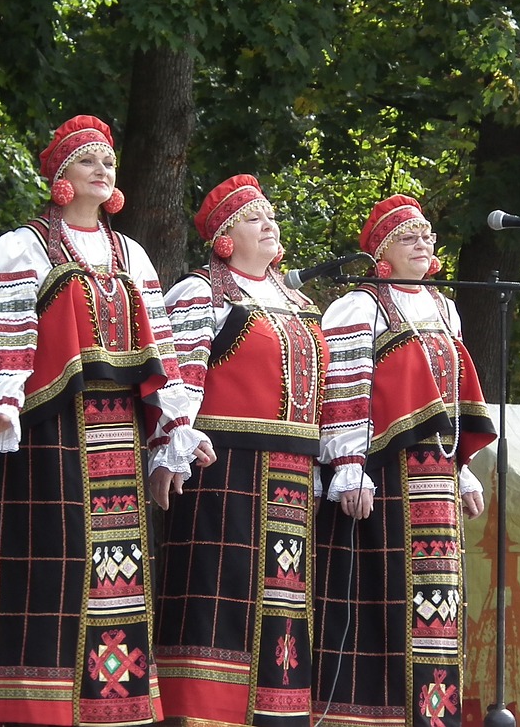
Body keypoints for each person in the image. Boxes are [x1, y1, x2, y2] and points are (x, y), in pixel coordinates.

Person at [0, 115, 216, 727]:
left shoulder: (133, 256)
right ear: (61, 177)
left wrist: (173, 431)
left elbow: (162, 352)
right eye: (89, 161)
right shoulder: (24, 246)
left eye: (109, 161)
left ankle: (110, 707)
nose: (104, 169)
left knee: (116, 567)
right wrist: (0, 403)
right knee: (60, 560)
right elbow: (2, 329)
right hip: (52, 428)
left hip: (118, 430)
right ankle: (32, 705)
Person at [312, 194, 497, 727]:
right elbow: (344, 390)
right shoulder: (361, 305)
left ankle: (433, 716)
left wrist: (461, 471)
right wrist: (351, 466)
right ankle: (375, 715)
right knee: (386, 592)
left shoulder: (444, 308)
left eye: (427, 234)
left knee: (437, 597)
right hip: (383, 474)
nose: (423, 241)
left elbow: (451, 400)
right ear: (382, 252)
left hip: (435, 475)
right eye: (408, 235)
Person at [152, 174, 328, 727]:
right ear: (224, 237)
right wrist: (169, 448)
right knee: (220, 590)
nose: (270, 223)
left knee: (284, 599)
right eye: (255, 218)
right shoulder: (203, 292)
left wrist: (328, 464)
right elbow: (175, 374)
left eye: (271, 215)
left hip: (292, 471)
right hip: (224, 465)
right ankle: (204, 713)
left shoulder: (298, 301)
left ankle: (277, 714)